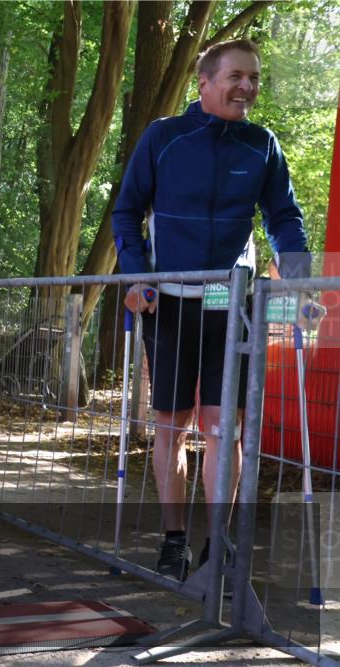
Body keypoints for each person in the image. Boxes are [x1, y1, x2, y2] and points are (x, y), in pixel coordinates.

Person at [111, 39, 321, 581]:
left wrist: (301, 284)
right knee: (171, 425)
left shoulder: (262, 145)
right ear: (203, 82)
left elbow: (285, 219)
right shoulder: (163, 137)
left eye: (253, 77)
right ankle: (174, 541)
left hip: (228, 301)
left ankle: (220, 545)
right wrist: (136, 278)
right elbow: (127, 212)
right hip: (169, 302)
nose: (246, 87)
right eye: (236, 76)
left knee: (223, 427)